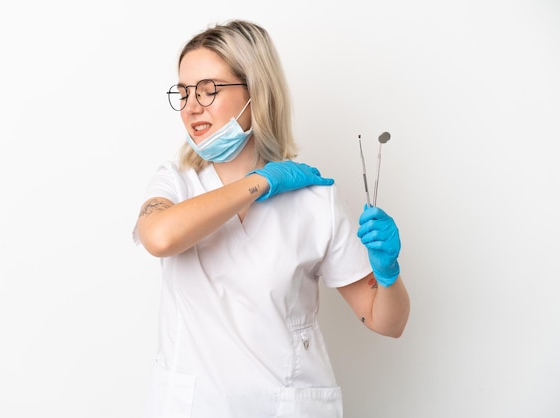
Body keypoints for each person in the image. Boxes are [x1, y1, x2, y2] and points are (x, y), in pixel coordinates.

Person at [133, 19, 410, 418]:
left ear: (255, 92)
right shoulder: (175, 183)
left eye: (209, 89)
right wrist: (259, 184)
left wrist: (388, 275)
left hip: (286, 406)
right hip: (193, 407)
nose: (192, 105)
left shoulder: (315, 199)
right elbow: (159, 237)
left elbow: (387, 321)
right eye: (184, 92)